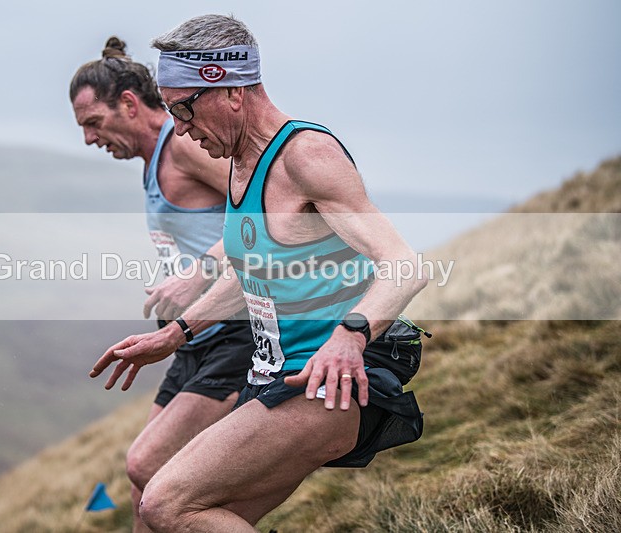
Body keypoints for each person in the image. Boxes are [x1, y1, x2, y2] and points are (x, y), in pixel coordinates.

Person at [90, 15, 428, 532]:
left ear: (228, 90)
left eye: (183, 108)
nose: (178, 128)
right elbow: (253, 277)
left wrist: (350, 336)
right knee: (179, 521)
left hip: (327, 382)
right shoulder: (239, 165)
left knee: (165, 503)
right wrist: (178, 334)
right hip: (272, 377)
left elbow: (405, 266)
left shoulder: (307, 156)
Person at [69, 36, 254, 532]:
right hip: (197, 339)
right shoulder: (152, 163)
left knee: (147, 465)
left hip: (237, 331)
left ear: (128, 104)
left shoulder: (184, 148)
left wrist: (200, 271)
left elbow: (264, 205)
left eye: (93, 123)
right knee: (141, 488)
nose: (89, 139)